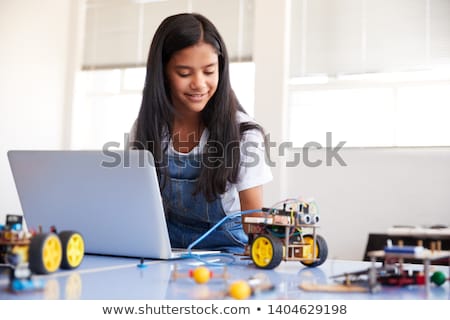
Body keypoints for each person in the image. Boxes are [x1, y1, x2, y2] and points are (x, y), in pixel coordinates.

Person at [129, 13, 272, 253]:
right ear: (162, 72)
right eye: (184, 73)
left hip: (229, 253)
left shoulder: (243, 134)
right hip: (168, 252)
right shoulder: (147, 128)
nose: (199, 83)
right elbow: (136, 208)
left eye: (209, 71)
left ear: (221, 69)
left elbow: (254, 224)